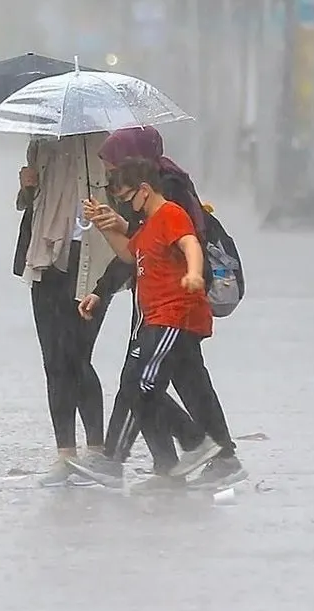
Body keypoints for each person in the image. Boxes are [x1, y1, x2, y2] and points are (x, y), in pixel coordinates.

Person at [69, 127, 245, 490]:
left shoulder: (168, 194)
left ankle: (148, 456)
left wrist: (194, 274)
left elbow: (183, 241)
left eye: (115, 171)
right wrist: (103, 279)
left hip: (173, 304)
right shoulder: (144, 201)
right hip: (159, 301)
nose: (111, 180)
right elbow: (134, 249)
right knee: (187, 382)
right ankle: (194, 462)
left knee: (139, 382)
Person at [14, 132, 116, 487]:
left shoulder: (105, 144)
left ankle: (97, 451)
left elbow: (125, 203)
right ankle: (65, 455)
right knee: (53, 361)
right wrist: (27, 186)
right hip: (44, 259)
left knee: (77, 356)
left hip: (92, 261)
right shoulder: (40, 141)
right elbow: (29, 203)